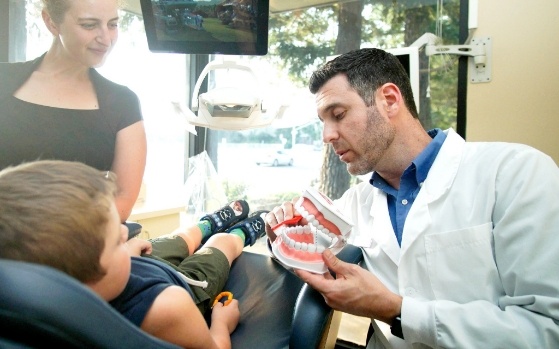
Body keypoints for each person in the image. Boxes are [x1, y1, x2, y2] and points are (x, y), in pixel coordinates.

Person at [264, 48, 559, 348]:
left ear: (389, 100)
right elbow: (301, 246)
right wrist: (280, 230)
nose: (327, 135)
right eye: (323, 122)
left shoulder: (515, 173)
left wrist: (396, 311)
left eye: (338, 115)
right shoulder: (356, 203)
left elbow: (545, 329)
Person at [0, 159, 269, 349]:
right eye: (115, 240)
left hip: (138, 264)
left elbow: (114, 257)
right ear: (85, 283)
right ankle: (239, 233)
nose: (125, 232)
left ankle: (208, 224)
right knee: (220, 243)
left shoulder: (83, 285)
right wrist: (222, 324)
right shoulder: (169, 308)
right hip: (182, 282)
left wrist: (124, 251)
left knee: (183, 236)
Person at [0, 0, 146, 222]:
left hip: (79, 247)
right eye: (89, 25)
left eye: (113, 24)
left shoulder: (122, 103)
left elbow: (123, 198)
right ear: (51, 22)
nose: (106, 39)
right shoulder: (3, 81)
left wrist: (63, 244)